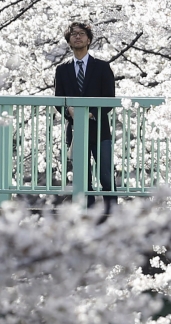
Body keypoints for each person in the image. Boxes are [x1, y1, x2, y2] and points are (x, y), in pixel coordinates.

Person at [54, 22, 116, 214]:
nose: (78, 37)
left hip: (100, 129)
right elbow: (59, 100)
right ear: (69, 41)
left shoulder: (102, 67)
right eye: (74, 35)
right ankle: (86, 211)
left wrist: (91, 113)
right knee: (82, 175)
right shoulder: (62, 70)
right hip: (74, 128)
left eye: (82, 34)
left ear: (89, 39)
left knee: (106, 173)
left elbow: (110, 98)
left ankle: (112, 212)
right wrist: (69, 112)